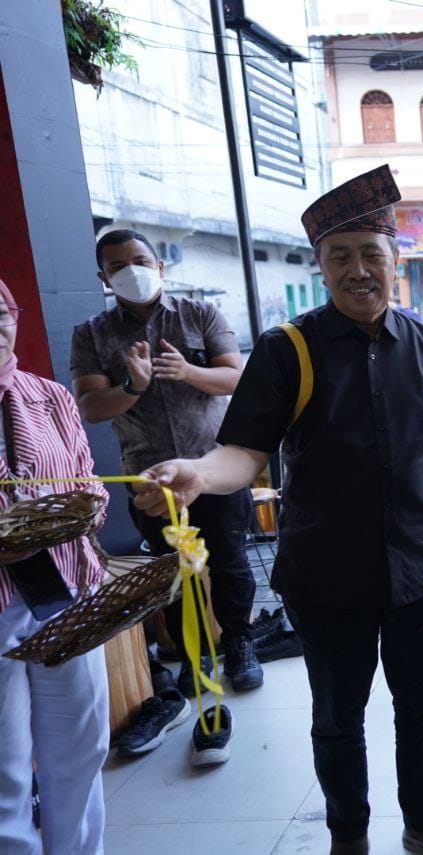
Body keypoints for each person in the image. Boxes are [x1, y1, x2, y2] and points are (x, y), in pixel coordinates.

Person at [133, 165, 423, 855]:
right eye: (340, 257)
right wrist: (197, 475)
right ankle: (348, 837)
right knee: (337, 717)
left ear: (396, 260)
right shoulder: (286, 349)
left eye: (371, 256)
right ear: (321, 266)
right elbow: (243, 450)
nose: (358, 271)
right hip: (328, 573)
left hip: (422, 566)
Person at [71, 229, 262, 705]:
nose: (130, 270)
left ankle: (240, 642)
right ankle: (193, 658)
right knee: (172, 571)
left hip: (214, 466)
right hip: (150, 477)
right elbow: (91, 406)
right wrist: (133, 386)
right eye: (117, 266)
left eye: (139, 259)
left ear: (160, 265)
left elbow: (236, 378)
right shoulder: (91, 333)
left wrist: (188, 372)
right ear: (103, 277)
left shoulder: (199, 314)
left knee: (231, 562)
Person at [0, 276, 111, 854]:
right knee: (6, 768)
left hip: (67, 588)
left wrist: (83, 510)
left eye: (2, 312)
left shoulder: (49, 397)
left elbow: (89, 482)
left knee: (80, 747)